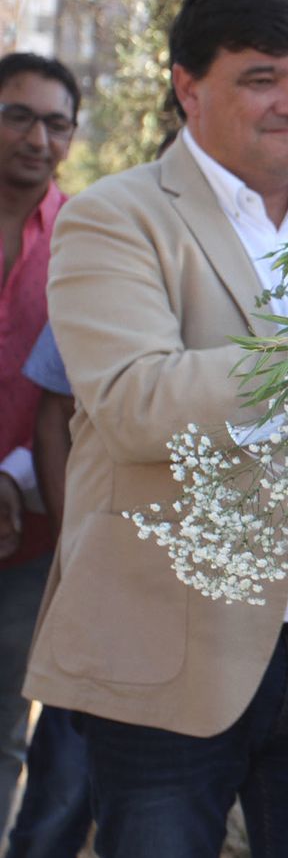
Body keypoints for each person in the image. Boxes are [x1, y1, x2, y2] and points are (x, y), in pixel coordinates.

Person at [24, 0, 288, 858]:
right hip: (170, 652)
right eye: (261, 78)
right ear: (187, 87)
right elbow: (132, 401)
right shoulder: (115, 218)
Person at [0, 52, 78, 831]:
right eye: (18, 115)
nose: (36, 137)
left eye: (56, 122)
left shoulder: (86, 235)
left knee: (4, 735)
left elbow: (82, 392)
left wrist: (16, 478)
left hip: (31, 528)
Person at [7, 324, 93, 857]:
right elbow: (54, 411)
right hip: (98, 565)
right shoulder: (105, 239)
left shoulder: (64, 239)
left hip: (31, 545)